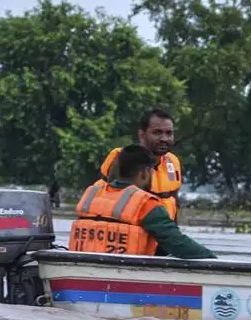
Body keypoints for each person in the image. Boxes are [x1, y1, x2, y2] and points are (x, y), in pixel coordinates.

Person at [71, 145, 215, 259]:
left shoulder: (91, 195)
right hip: (125, 275)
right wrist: (212, 259)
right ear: (145, 173)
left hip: (80, 271)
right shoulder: (147, 204)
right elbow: (178, 243)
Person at [100, 109, 184, 221]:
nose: (164, 139)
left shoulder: (173, 162)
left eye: (169, 133)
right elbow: (104, 199)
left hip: (164, 229)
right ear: (142, 135)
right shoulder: (122, 157)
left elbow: (174, 201)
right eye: (157, 132)